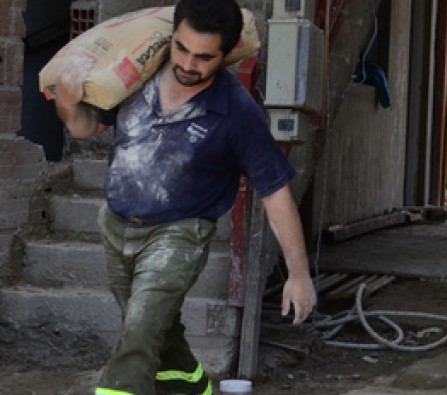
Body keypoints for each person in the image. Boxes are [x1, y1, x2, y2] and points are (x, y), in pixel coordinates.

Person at [53, 0, 317, 393]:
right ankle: (194, 387)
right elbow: (85, 127)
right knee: (154, 328)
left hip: (180, 234)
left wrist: (298, 274)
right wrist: (66, 101)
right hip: (117, 225)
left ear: (225, 55)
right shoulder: (137, 74)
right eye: (182, 49)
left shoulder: (236, 112)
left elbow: (274, 190)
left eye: (204, 57)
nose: (188, 64)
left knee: (138, 337)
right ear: (171, 38)